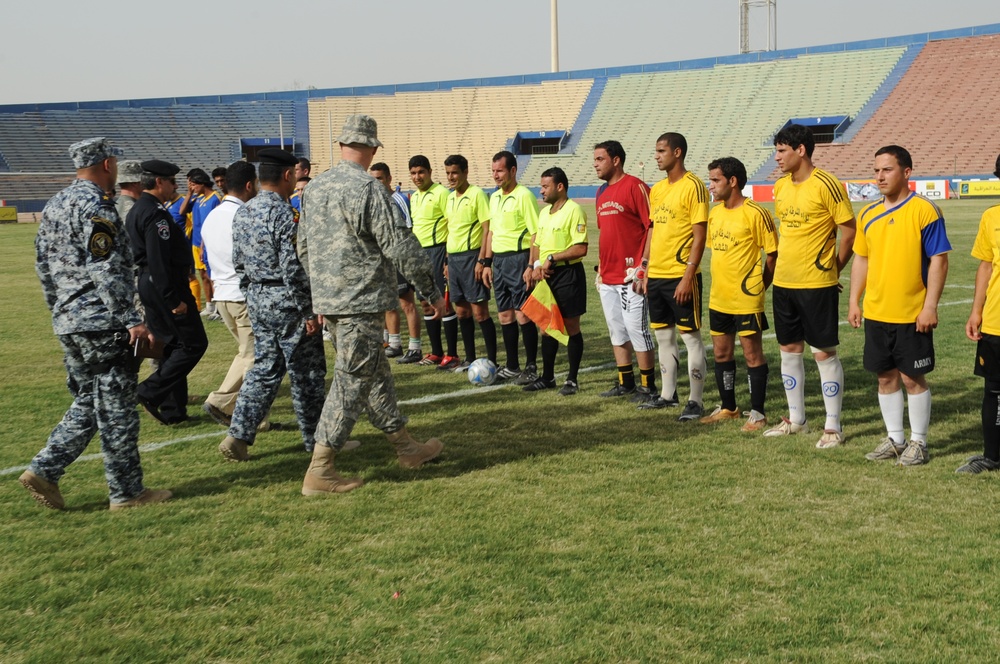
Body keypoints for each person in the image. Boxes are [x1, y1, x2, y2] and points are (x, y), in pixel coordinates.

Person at [298, 114, 447, 495]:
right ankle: (321, 467)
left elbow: (303, 247)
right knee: (351, 380)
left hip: (333, 300)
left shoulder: (315, 189)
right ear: (372, 148)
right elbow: (400, 246)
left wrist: (320, 292)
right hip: (361, 301)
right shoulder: (368, 189)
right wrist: (430, 292)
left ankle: (405, 446)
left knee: (375, 372)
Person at [22, 137, 171, 511]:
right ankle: (127, 492)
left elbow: (43, 266)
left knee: (92, 398)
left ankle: (45, 468)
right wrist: (130, 320)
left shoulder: (55, 204)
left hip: (70, 320)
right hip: (101, 319)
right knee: (118, 406)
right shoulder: (96, 206)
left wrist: (58, 310)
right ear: (107, 164)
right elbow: (103, 265)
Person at [218, 149, 327, 461]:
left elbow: (238, 263)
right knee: (306, 374)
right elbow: (293, 267)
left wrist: (252, 297)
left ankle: (238, 434)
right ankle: (318, 442)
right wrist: (308, 312)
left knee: (264, 368)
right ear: (287, 176)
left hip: (259, 300)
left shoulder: (243, 212)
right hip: (288, 303)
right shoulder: (286, 214)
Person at [849, 145, 951, 466]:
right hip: (877, 312)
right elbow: (861, 260)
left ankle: (919, 443)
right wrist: (854, 300)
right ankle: (895, 439)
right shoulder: (867, 213)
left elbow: (939, 260)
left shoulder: (924, 210)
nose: (880, 176)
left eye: (887, 169)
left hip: (912, 313)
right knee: (885, 377)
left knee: (912, 379)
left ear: (906, 172)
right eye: (877, 170)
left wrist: (930, 306)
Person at [766, 124, 857, 448]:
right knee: (789, 352)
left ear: (800, 150)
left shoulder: (826, 184)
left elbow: (848, 230)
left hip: (816, 284)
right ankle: (797, 419)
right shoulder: (780, 187)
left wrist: (833, 269)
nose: (776, 158)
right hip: (784, 283)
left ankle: (833, 426)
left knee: (823, 354)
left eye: (781, 151)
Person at [126, 159, 209, 425]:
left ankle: (175, 411)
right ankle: (150, 390)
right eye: (172, 181)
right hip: (165, 283)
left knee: (171, 348)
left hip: (150, 282)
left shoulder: (139, 208)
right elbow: (159, 258)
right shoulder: (155, 213)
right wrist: (173, 299)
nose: (175, 186)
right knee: (194, 344)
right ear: (159, 182)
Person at [699, 157, 778, 431]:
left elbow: (772, 255)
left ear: (732, 181)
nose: (711, 186)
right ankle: (729, 408)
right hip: (718, 298)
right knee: (721, 354)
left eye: (715, 180)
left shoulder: (756, 213)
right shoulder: (715, 213)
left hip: (746, 300)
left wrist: (759, 288)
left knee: (752, 355)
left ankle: (757, 413)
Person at [636, 132, 707, 419]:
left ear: (677, 153)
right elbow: (653, 229)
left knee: (691, 338)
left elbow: (700, 235)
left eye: (661, 150)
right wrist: (645, 267)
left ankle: (696, 401)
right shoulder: (658, 190)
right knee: (663, 336)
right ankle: (668, 395)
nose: (656, 156)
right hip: (657, 275)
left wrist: (688, 276)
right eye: (656, 151)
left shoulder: (694, 186)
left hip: (681, 275)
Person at [200, 160, 262, 427]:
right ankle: (224, 402)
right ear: (249, 185)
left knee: (247, 353)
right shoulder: (243, 215)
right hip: (241, 295)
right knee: (255, 357)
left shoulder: (213, 214)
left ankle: (255, 414)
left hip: (222, 295)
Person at [593, 140, 655, 401]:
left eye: (600, 159)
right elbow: (606, 233)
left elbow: (651, 226)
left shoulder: (635, 187)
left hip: (631, 276)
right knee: (616, 329)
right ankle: (625, 381)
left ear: (615, 160)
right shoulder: (600, 192)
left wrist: (644, 264)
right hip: (607, 276)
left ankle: (647, 386)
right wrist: (600, 268)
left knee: (636, 329)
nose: (595, 164)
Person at [524, 166, 588, 395]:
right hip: (545, 277)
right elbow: (538, 244)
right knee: (545, 327)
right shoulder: (544, 213)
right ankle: (547, 377)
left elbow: (581, 248)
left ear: (560, 187)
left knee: (571, 327)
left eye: (545, 186)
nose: (541, 191)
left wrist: (553, 258)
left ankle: (572, 380)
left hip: (568, 275)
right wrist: (533, 266)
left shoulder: (574, 210)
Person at [488, 151, 540, 384]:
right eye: (493, 171)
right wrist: (487, 262)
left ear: (512, 171)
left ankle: (531, 366)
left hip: (518, 260)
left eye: (500, 170)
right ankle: (511, 365)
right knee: (504, 314)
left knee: (523, 313)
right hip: (498, 261)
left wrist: (531, 264)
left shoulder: (524, 196)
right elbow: (491, 232)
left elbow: (535, 233)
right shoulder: (494, 197)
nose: (496, 175)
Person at [963, 154, 1000, 474]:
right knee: (994, 390)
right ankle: (991, 456)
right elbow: (986, 265)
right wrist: (976, 311)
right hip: (996, 321)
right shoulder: (992, 217)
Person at [444, 154, 498, 370]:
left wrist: (483, 261)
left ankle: (492, 360)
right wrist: (447, 261)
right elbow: (451, 230)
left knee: (480, 312)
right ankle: (470, 358)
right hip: (454, 261)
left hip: (471, 258)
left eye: (455, 172)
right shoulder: (449, 198)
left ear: (465, 172)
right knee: (462, 312)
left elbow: (487, 230)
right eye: (448, 173)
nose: (451, 177)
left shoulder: (477, 195)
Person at [409, 154, 460, 367]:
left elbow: (451, 223)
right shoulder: (415, 196)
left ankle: (452, 354)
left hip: (438, 251)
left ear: (429, 172)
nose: (417, 177)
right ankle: (436, 353)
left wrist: (447, 257)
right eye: (413, 173)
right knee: (425, 303)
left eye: (421, 172)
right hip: (419, 254)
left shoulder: (441, 194)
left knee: (444, 303)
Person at [370, 162, 423, 363]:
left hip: (400, 259)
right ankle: (393, 343)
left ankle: (415, 347)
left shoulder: (398, 199)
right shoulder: (375, 202)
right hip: (383, 261)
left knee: (406, 303)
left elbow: (408, 229)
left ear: (389, 179)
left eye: (380, 179)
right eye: (373, 179)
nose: (377, 183)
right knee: (387, 303)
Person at [188, 168, 221, 316]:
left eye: (194, 185)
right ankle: (210, 305)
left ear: (202, 184)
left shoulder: (215, 199)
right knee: (203, 275)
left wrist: (204, 245)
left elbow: (212, 225)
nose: (192, 188)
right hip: (197, 242)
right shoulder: (199, 199)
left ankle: (219, 307)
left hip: (208, 243)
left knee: (211, 275)